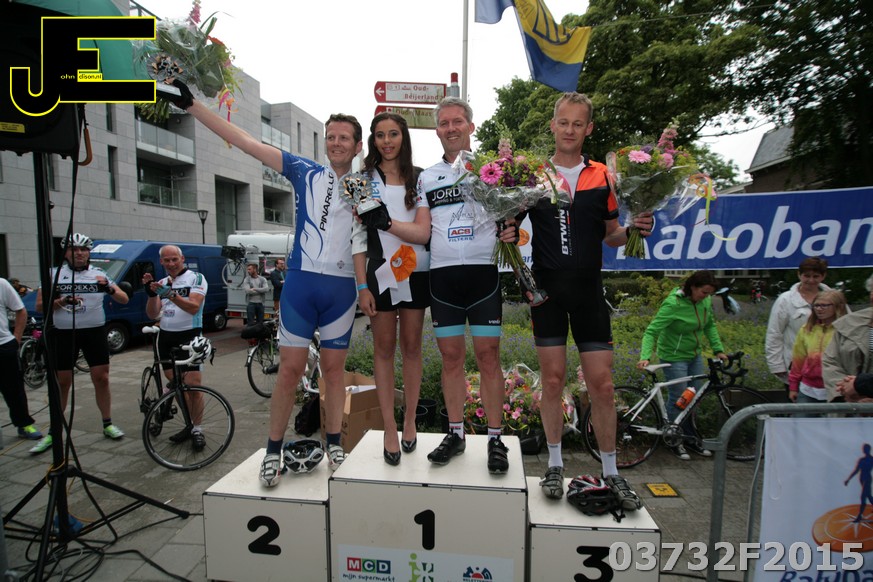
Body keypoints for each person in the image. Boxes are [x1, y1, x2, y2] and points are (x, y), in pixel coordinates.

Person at [159, 80, 366, 486]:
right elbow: (247, 143)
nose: (337, 143)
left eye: (344, 138)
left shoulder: (365, 184)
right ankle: (272, 451)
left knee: (334, 371)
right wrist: (192, 105)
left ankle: (334, 443)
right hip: (302, 286)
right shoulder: (305, 170)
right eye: (331, 137)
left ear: (358, 146)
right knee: (289, 370)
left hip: (341, 290)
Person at [521, 92, 652, 508]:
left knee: (603, 385)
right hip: (548, 293)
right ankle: (554, 464)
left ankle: (611, 472)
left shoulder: (603, 176)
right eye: (563, 122)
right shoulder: (534, 176)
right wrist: (505, 229)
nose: (570, 130)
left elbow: (611, 234)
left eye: (578, 123)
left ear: (589, 128)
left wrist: (634, 229)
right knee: (553, 380)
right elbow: (509, 222)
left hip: (589, 292)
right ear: (552, 125)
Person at [401, 97, 513, 473]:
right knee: (451, 359)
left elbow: (510, 212)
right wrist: (381, 220)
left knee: (488, 357)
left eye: (458, 121)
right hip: (443, 278)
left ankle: (495, 439)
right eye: (445, 123)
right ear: (437, 130)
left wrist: (512, 225)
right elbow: (421, 228)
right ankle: (455, 433)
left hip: (483, 276)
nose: (451, 128)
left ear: (471, 127)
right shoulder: (427, 177)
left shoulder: (490, 170)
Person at [352, 112, 430, 465]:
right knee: (383, 350)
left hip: (416, 272)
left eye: (393, 134)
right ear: (373, 139)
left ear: (403, 137)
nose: (387, 141)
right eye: (380, 135)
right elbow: (357, 237)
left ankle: (410, 419)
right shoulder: (361, 180)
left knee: (412, 348)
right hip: (379, 273)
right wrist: (361, 286)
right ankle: (389, 426)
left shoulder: (420, 178)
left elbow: (425, 231)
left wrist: (389, 222)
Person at [31, 233, 129, 454]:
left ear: (89, 253)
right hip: (64, 333)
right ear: (66, 253)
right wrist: (63, 300)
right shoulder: (54, 274)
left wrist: (109, 289)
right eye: (74, 249)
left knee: (102, 378)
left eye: (83, 249)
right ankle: (54, 432)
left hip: (94, 332)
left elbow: (124, 298)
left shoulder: (99, 273)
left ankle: (107, 423)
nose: (79, 253)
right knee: (62, 382)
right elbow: (39, 306)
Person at [637, 270, 728, 460]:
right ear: (693, 287)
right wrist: (645, 356)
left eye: (710, 294)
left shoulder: (704, 302)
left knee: (694, 398)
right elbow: (651, 331)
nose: (706, 297)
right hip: (673, 356)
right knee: (680, 398)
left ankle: (689, 437)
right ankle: (674, 438)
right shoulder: (673, 304)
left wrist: (718, 349)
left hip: (694, 355)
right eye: (704, 292)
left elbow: (709, 325)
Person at [142, 245, 209, 450]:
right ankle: (189, 424)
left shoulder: (196, 278)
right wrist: (151, 294)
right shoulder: (162, 283)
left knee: (193, 386)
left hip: (189, 336)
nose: (171, 263)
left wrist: (170, 294)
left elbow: (193, 307)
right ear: (161, 262)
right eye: (167, 260)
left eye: (174, 259)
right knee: (178, 387)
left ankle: (197, 429)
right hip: (166, 338)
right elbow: (153, 314)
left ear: (182, 259)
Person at [766, 258, 830, 390]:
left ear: (823, 276)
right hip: (797, 367)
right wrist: (776, 365)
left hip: (829, 367)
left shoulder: (835, 298)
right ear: (799, 274)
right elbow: (774, 333)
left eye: (816, 276)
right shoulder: (785, 300)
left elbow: (846, 328)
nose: (811, 280)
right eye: (806, 276)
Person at [787, 289, 847, 406]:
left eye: (824, 305)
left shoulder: (845, 330)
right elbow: (798, 359)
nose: (819, 309)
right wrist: (793, 386)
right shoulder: (807, 329)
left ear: (838, 306)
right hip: (808, 388)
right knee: (802, 418)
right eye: (816, 305)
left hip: (836, 388)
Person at [0, 277, 43, 441]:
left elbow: (21, 310)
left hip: (4, 346)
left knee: (14, 390)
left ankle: (24, 424)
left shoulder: (2, 284)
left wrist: (16, 339)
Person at [823, 273, 873, 402]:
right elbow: (830, 362)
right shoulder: (848, 324)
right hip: (849, 404)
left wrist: (862, 389)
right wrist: (847, 391)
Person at [844, 443, 873, 523]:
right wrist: (848, 479)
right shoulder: (862, 460)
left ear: (868, 450)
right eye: (863, 448)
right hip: (862, 479)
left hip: (867, 479)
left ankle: (859, 516)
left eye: (865, 448)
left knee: (863, 497)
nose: (864, 450)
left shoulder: (871, 459)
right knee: (868, 495)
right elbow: (856, 470)